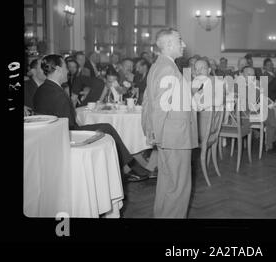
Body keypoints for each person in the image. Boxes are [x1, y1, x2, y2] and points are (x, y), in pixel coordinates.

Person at [33, 54, 151, 182]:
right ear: (58, 69)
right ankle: (130, 167)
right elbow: (69, 125)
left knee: (105, 127)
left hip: (48, 137)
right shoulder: (58, 94)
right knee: (107, 128)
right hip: (66, 136)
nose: (68, 71)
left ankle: (127, 168)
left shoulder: (42, 89)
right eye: (66, 67)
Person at [141, 28, 198, 218]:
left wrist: (152, 132)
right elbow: (158, 106)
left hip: (169, 136)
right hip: (175, 137)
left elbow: (148, 101)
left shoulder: (160, 66)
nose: (184, 44)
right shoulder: (167, 68)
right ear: (168, 45)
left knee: (167, 183)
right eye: (180, 40)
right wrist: (155, 134)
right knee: (179, 187)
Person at [241, 66, 276, 153]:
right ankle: (273, 139)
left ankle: (271, 141)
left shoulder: (252, 86)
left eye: (253, 75)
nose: (251, 77)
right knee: (272, 114)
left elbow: (263, 97)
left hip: (253, 112)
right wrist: (273, 106)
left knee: (272, 113)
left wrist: (273, 106)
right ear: (242, 75)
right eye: (249, 74)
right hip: (245, 116)